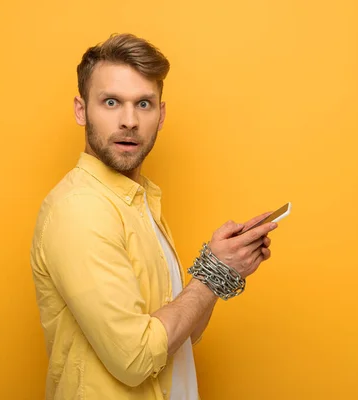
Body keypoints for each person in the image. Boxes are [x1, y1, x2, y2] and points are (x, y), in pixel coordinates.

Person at [29, 33, 277, 400]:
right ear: (81, 110)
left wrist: (222, 268)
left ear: (160, 114)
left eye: (143, 104)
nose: (129, 120)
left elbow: (181, 337)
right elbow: (135, 358)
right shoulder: (81, 209)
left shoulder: (139, 202)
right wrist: (213, 275)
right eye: (111, 102)